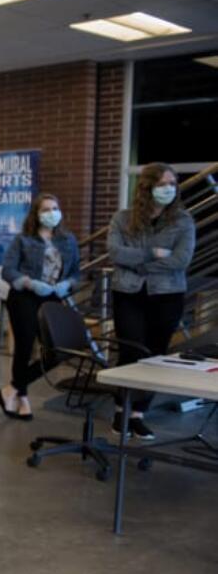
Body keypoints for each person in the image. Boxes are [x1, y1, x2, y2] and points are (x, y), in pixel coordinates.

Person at [106, 162, 196, 440]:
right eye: (162, 184)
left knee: (154, 356)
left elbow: (181, 260)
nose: (168, 189)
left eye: (172, 183)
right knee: (130, 350)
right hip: (128, 293)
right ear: (147, 188)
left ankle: (138, 414)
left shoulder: (183, 221)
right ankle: (122, 409)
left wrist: (142, 263)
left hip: (167, 295)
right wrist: (151, 253)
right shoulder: (123, 218)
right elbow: (114, 252)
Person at [0, 194, 80, 421]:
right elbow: (7, 271)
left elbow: (76, 273)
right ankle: (21, 398)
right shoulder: (23, 240)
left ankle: (11, 389)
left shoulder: (68, 240)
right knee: (24, 348)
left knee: (56, 352)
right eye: (46, 209)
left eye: (55, 208)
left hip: (52, 298)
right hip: (25, 297)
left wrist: (68, 284)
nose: (52, 213)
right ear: (36, 214)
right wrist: (29, 282)